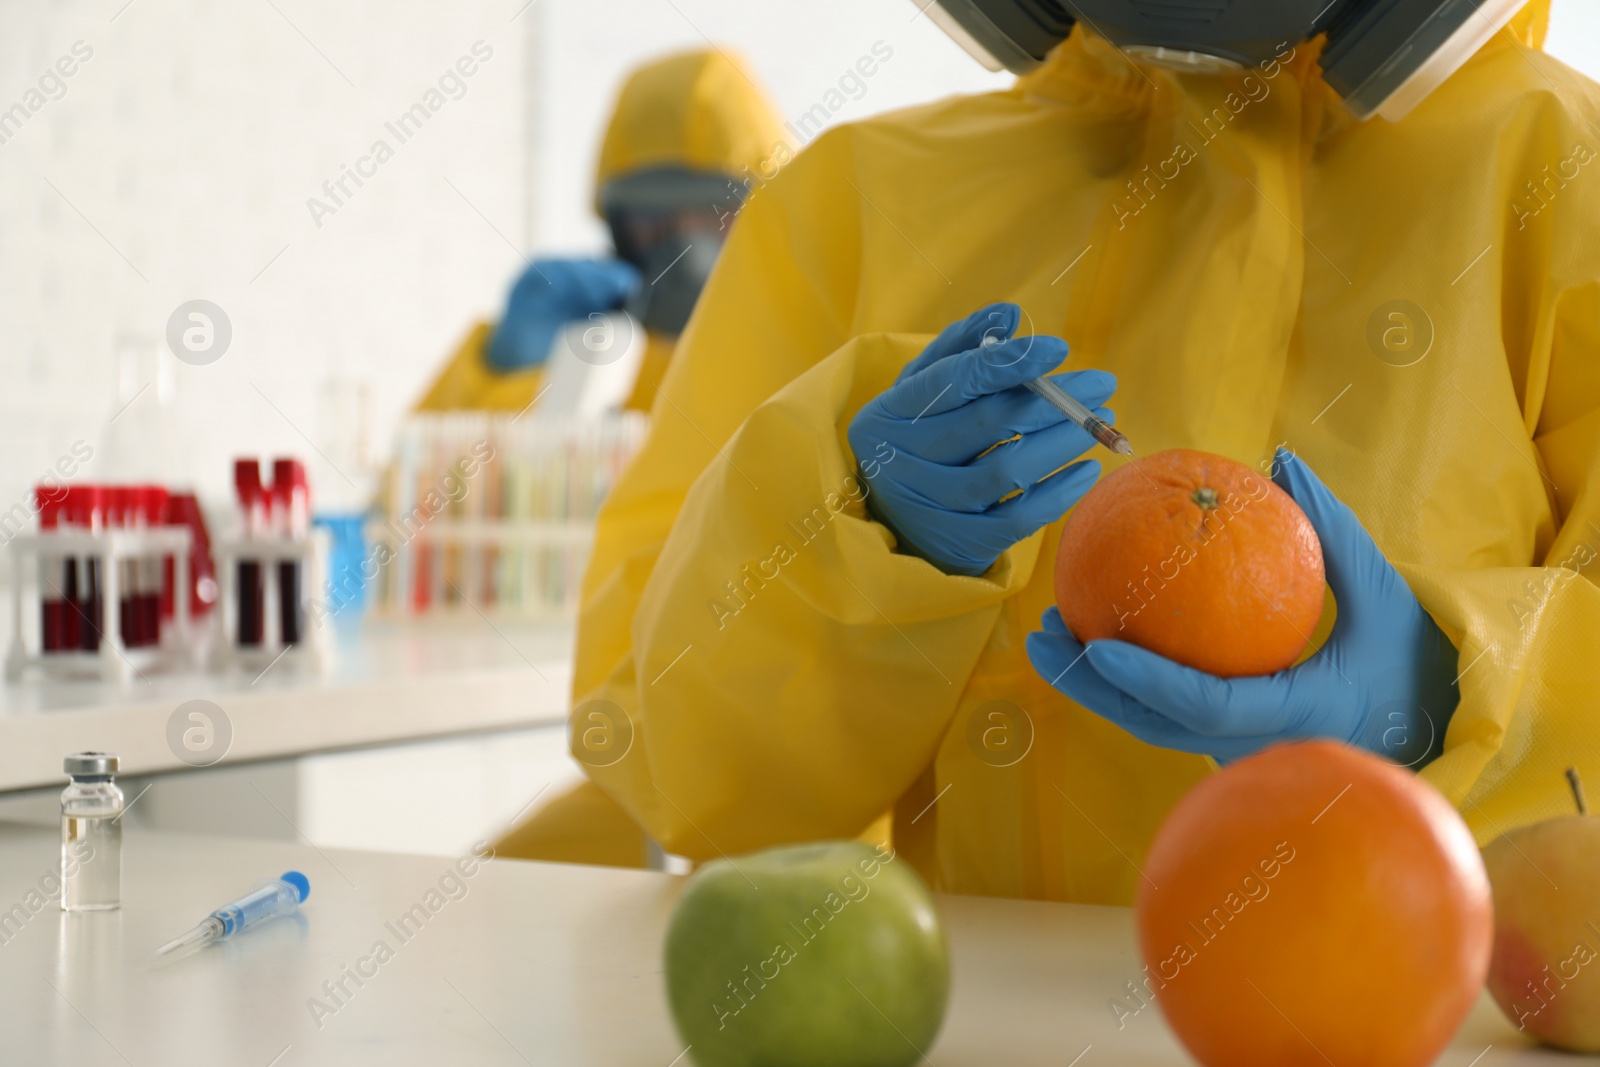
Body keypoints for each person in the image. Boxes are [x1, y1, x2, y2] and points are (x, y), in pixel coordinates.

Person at [510, 1, 1600, 901]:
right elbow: (675, 768)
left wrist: (1465, 703)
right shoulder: (852, 204)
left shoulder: (1563, 179)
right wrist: (852, 547)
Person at [414, 48, 784, 415]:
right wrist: (500, 379)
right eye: (656, 219)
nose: (685, 247)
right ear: (619, 228)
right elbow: (438, 469)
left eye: (716, 214)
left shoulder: (816, 348)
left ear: (773, 212)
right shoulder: (594, 362)